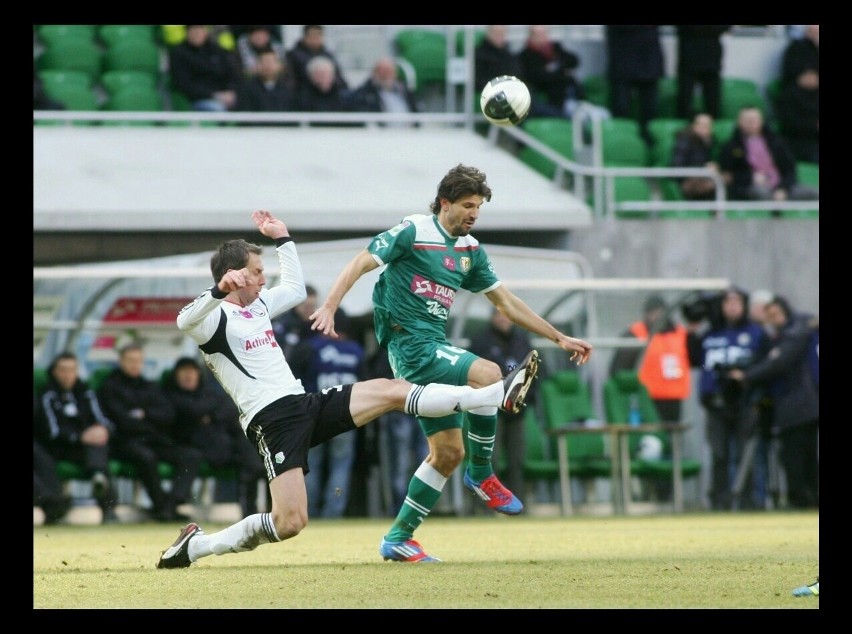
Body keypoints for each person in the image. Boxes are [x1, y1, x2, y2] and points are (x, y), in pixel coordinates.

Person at [156, 210, 539, 568]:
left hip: (304, 403)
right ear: (233, 274)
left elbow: (293, 287)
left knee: (393, 390)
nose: (262, 278)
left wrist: (283, 238)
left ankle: (493, 394)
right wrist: (217, 291)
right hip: (271, 421)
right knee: (290, 522)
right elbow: (182, 321)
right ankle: (197, 546)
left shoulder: (257, 306)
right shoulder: (213, 320)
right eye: (256, 272)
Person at [309, 165, 593, 562]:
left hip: (434, 347)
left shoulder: (470, 251)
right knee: (489, 374)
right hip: (410, 347)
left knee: (446, 454)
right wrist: (329, 305)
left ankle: (399, 537)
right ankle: (482, 472)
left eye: (479, 206)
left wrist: (559, 337)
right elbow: (361, 261)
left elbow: (507, 304)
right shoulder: (414, 231)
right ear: (445, 203)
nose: (474, 213)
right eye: (467, 205)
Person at [727, 295, 819, 510]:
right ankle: (808, 498)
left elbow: (777, 363)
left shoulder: (795, 334)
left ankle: (803, 499)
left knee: (796, 455)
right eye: (770, 316)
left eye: (776, 314)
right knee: (801, 454)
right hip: (796, 404)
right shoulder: (788, 334)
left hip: (799, 405)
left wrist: (746, 377)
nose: (774, 319)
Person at [685, 286, 771, 510]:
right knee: (719, 454)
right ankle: (719, 503)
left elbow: (767, 365)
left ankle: (749, 502)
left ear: (744, 306)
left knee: (745, 455)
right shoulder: (711, 333)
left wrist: (745, 375)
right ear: (722, 306)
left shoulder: (756, 333)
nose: (732, 306)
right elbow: (694, 360)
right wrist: (692, 331)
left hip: (745, 402)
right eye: (728, 302)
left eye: (736, 302)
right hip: (716, 403)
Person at [98, 343, 203, 522]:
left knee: (191, 456)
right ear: (120, 361)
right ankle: (161, 506)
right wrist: (150, 420)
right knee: (145, 457)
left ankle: (170, 505)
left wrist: (144, 414)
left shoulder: (150, 386)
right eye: (130, 360)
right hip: (125, 442)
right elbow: (122, 421)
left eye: (138, 361)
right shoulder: (109, 387)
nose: (134, 365)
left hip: (155, 439)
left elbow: (168, 415)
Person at [162, 356, 265, 518]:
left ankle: (253, 513)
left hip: (221, 447)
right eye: (184, 372)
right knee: (191, 456)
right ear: (176, 375)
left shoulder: (208, 391)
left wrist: (210, 416)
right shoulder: (168, 394)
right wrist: (209, 412)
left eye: (192, 371)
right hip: (187, 445)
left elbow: (231, 410)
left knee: (250, 450)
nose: (188, 376)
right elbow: (190, 410)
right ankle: (170, 507)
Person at [288, 307, 364, 518]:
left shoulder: (310, 348)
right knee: (341, 465)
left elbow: (293, 379)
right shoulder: (355, 351)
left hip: (315, 414)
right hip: (349, 414)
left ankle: (309, 512)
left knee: (311, 465)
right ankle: (333, 513)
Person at [35, 352, 118, 522]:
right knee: (96, 451)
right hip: (59, 447)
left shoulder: (85, 392)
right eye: (63, 370)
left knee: (99, 443)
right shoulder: (47, 395)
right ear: (54, 372)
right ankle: (56, 507)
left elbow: (102, 419)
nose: (67, 375)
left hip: (85, 447)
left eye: (72, 370)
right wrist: (80, 436)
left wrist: (103, 430)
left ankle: (107, 507)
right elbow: (51, 431)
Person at [468, 307, 536, 502]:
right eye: (499, 315)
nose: (504, 320)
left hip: (517, 411)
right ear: (492, 318)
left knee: (517, 460)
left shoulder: (522, 340)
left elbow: (533, 373)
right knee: (489, 460)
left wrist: (526, 399)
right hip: (491, 410)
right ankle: (484, 507)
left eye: (507, 316)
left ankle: (518, 503)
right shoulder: (481, 341)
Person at [609, 294, 691, 424]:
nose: (657, 317)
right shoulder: (636, 333)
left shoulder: (679, 333)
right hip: (647, 397)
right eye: (653, 313)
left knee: (672, 436)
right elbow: (619, 367)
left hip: (674, 397)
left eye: (660, 312)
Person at [717, 106, 819, 202]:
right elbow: (728, 176)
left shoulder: (777, 142)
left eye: (754, 119)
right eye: (747, 120)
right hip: (750, 187)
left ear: (761, 121)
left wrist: (782, 188)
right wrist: (751, 177)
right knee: (762, 193)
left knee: (814, 193)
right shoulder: (730, 147)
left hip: (781, 186)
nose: (751, 123)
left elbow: (790, 169)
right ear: (739, 122)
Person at [605, 25, 664, 146]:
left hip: (649, 64)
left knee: (650, 109)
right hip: (623, 62)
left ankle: (647, 143)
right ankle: (621, 141)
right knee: (621, 107)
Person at [517, 24, 585, 119]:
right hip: (552, 101)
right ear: (531, 35)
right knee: (578, 116)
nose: (541, 37)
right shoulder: (525, 56)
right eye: (537, 34)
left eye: (543, 34)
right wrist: (561, 71)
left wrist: (554, 70)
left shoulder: (556, 48)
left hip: (573, 95)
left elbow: (574, 60)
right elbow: (539, 77)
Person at [168, 24, 241, 112]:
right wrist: (213, 95)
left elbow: (231, 75)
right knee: (217, 109)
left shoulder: (216, 50)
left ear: (205, 32)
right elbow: (183, 84)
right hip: (197, 100)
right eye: (193, 31)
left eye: (199, 30)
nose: (196, 34)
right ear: (187, 33)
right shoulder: (179, 53)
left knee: (246, 104)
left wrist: (231, 92)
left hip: (224, 96)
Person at [674, 25, 732, 119]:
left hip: (712, 59)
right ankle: (683, 131)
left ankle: (711, 131)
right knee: (684, 101)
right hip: (688, 58)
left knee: (713, 102)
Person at [346, 56, 419, 127]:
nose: (385, 74)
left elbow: (415, 112)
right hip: (382, 135)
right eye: (381, 70)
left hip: (409, 133)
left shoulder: (405, 90)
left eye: (388, 70)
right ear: (374, 72)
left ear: (395, 72)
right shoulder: (366, 93)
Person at [670, 112, 721, 200]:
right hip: (687, 181)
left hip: (705, 178)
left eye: (707, 126)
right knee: (715, 185)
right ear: (693, 126)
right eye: (701, 125)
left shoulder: (712, 143)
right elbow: (677, 166)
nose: (704, 128)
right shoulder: (684, 142)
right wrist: (703, 169)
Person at [285, 25, 349, 93]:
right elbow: (291, 81)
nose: (315, 39)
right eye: (312, 36)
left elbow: (339, 79)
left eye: (318, 35)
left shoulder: (328, 56)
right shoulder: (293, 56)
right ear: (305, 37)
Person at [235, 48, 297, 116]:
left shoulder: (288, 90)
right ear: (256, 65)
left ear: (280, 66)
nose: (267, 66)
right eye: (263, 61)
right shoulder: (246, 89)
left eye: (271, 62)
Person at [294, 55, 353, 123]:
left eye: (326, 74)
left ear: (333, 75)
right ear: (311, 76)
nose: (323, 78)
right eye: (319, 74)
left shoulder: (345, 98)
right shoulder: (302, 98)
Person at [272, 283, 318, 358]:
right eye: (306, 306)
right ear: (297, 304)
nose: (310, 310)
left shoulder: (318, 326)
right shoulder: (284, 325)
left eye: (313, 306)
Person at [474, 25, 522, 93]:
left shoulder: (509, 54)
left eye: (501, 33)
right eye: (495, 33)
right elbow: (478, 80)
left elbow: (517, 73)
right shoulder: (480, 54)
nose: (499, 36)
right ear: (488, 34)